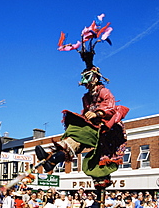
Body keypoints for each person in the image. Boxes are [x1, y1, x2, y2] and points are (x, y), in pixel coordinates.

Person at [35, 14, 129, 189]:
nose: (85, 84)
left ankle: (56, 157)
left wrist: (98, 113)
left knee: (83, 135)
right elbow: (85, 112)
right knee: (76, 135)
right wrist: (84, 116)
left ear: (94, 77)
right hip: (94, 127)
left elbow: (111, 108)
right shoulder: (86, 97)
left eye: (87, 79)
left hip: (108, 129)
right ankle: (53, 159)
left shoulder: (104, 91)